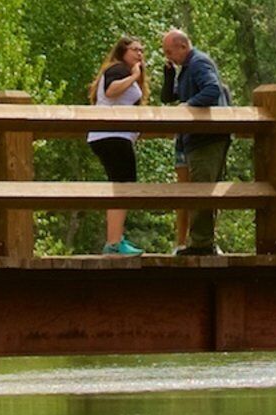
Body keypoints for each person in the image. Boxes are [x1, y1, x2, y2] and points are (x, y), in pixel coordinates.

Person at [158, 27, 230, 255]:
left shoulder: (198, 63)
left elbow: (212, 90)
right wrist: (169, 75)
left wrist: (188, 105)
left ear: (183, 46)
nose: (168, 56)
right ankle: (200, 242)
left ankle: (201, 244)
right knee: (198, 190)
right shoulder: (186, 69)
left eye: (169, 52)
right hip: (196, 138)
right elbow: (168, 97)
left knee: (202, 190)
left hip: (208, 137)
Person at [92, 37, 147, 255]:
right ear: (122, 51)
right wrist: (134, 76)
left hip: (114, 136)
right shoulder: (118, 69)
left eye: (142, 50)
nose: (139, 54)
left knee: (121, 186)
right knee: (123, 186)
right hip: (112, 135)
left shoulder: (123, 70)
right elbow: (111, 91)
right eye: (134, 50)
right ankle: (114, 243)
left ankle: (115, 239)